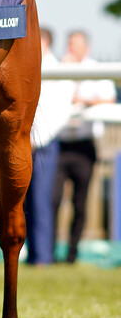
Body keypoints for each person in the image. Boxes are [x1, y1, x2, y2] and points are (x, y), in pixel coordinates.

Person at [52, 30, 116, 263]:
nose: (71, 49)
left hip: (84, 145)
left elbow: (109, 98)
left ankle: (72, 253)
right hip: (60, 143)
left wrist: (83, 100)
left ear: (86, 47)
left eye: (75, 45)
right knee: (53, 199)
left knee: (81, 203)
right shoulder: (60, 69)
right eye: (69, 44)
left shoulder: (96, 70)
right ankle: (48, 253)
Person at [25, 28, 75, 265]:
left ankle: (42, 257)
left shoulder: (58, 71)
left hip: (43, 146)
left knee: (40, 202)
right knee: (24, 203)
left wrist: (37, 139)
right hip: (27, 144)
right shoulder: (30, 65)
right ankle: (31, 254)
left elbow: (60, 112)